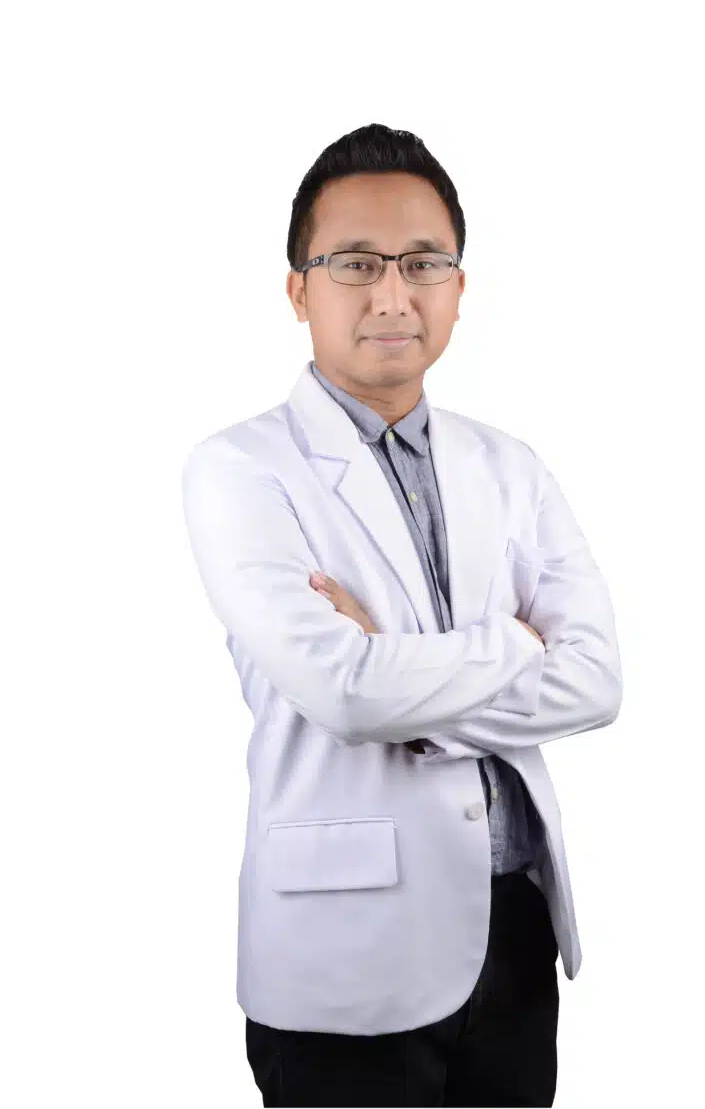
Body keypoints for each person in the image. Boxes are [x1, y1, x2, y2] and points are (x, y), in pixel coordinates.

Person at [181, 122, 623, 1107]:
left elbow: (598, 680)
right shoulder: (240, 469)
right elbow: (343, 692)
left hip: (514, 932)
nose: (393, 294)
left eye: (423, 263)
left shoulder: (509, 464)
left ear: (459, 286)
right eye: (355, 263)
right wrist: (515, 643)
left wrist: (399, 669)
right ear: (299, 289)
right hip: (345, 945)